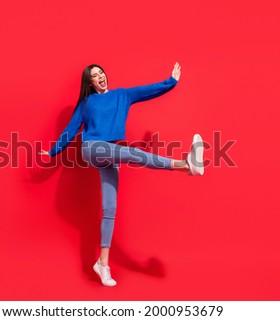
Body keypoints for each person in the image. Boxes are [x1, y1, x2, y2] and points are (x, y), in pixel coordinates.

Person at [39, 62, 204, 286]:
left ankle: (102, 265)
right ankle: (185, 164)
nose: (100, 77)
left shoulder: (122, 96)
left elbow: (148, 90)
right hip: (92, 148)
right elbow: (71, 129)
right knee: (135, 154)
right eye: (95, 76)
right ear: (90, 82)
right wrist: (52, 151)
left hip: (110, 153)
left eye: (101, 73)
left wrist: (171, 82)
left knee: (110, 209)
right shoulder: (87, 102)